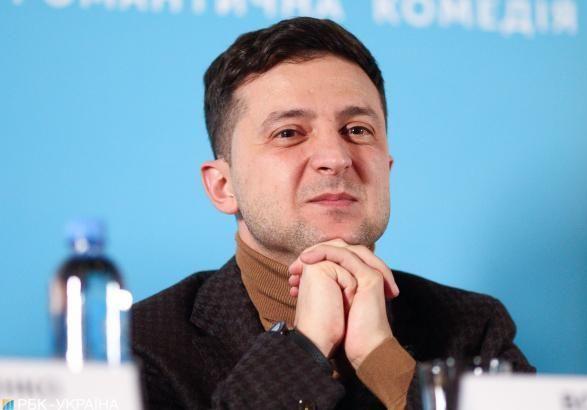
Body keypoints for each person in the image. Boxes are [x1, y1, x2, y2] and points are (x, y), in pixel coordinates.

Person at [131, 17, 534, 410]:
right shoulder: (141, 345)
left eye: (357, 130)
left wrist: (382, 358)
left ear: (386, 169)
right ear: (223, 186)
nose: (336, 158)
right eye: (289, 133)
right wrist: (305, 348)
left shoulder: (476, 330)